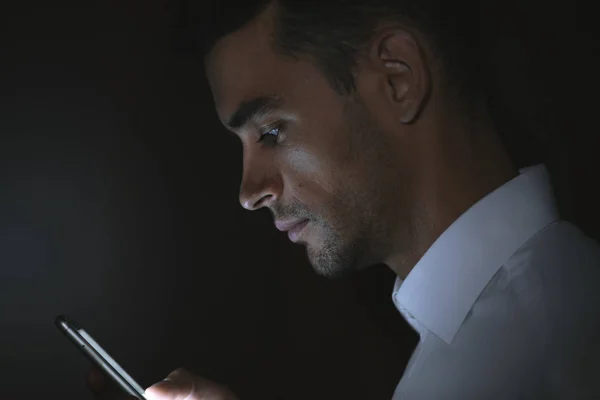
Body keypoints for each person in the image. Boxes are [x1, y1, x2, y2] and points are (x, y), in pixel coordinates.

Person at [88, 0, 600, 399]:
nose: (248, 193)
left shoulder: (537, 357)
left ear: (397, 79)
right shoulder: (515, 325)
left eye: (269, 131)